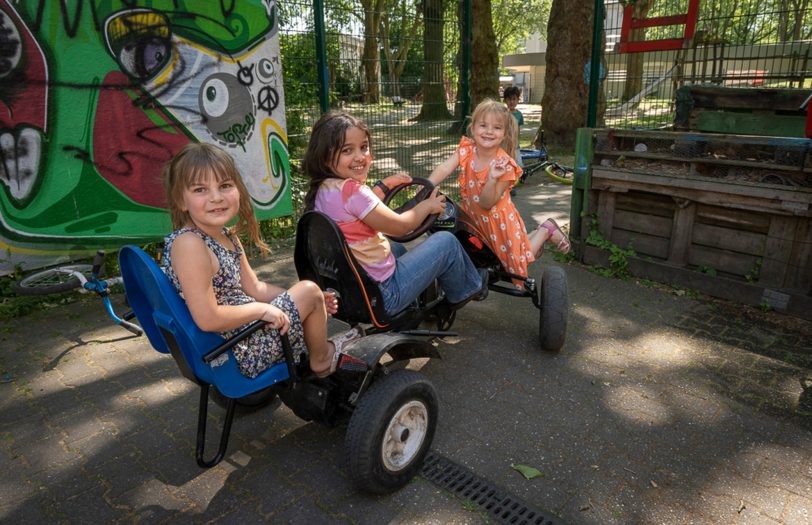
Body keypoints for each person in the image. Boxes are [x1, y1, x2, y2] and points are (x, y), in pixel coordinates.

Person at [161, 143, 362, 379]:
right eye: (200, 190)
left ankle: (314, 322)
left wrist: (303, 300)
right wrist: (263, 309)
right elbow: (207, 318)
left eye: (225, 186)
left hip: (243, 335)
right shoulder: (190, 244)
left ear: (238, 190)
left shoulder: (226, 235)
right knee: (308, 289)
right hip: (237, 351)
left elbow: (255, 288)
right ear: (180, 201)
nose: (216, 197)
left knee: (309, 293)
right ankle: (322, 359)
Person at [302, 111, 487, 316]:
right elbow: (401, 225)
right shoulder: (354, 191)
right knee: (446, 242)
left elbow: (359, 211)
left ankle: (419, 292)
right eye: (347, 150)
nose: (360, 156)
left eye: (364, 147)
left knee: (395, 246)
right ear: (325, 156)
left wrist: (383, 186)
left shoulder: (323, 189)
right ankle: (469, 287)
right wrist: (427, 206)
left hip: (351, 292)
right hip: (384, 295)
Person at [429, 99, 570, 285]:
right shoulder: (467, 150)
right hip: (475, 220)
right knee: (487, 256)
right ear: (472, 128)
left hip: (499, 222)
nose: (488, 131)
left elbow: (487, 203)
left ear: (504, 134)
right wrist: (427, 185)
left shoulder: (505, 166)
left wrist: (492, 179)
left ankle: (545, 230)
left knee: (514, 265)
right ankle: (538, 233)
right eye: (483, 125)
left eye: (496, 127)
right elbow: (445, 168)